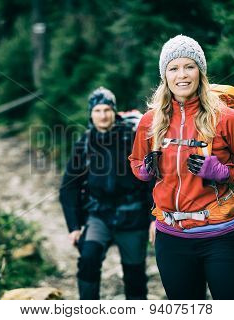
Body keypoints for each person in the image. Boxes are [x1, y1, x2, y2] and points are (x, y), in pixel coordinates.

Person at [129, 35, 234, 300]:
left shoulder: (226, 118)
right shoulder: (150, 121)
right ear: (164, 75)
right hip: (171, 239)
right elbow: (135, 161)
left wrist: (224, 172)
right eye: (173, 68)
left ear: (200, 72)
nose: (182, 75)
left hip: (222, 237)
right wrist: (145, 170)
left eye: (189, 66)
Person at [59, 87, 152, 300]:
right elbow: (68, 186)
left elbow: (151, 178)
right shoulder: (85, 143)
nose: (103, 115)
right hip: (99, 215)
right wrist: (74, 226)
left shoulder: (132, 137)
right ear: (91, 113)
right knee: (88, 260)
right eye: (98, 110)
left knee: (135, 273)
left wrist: (153, 218)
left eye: (107, 110)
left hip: (133, 215)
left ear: (114, 112)